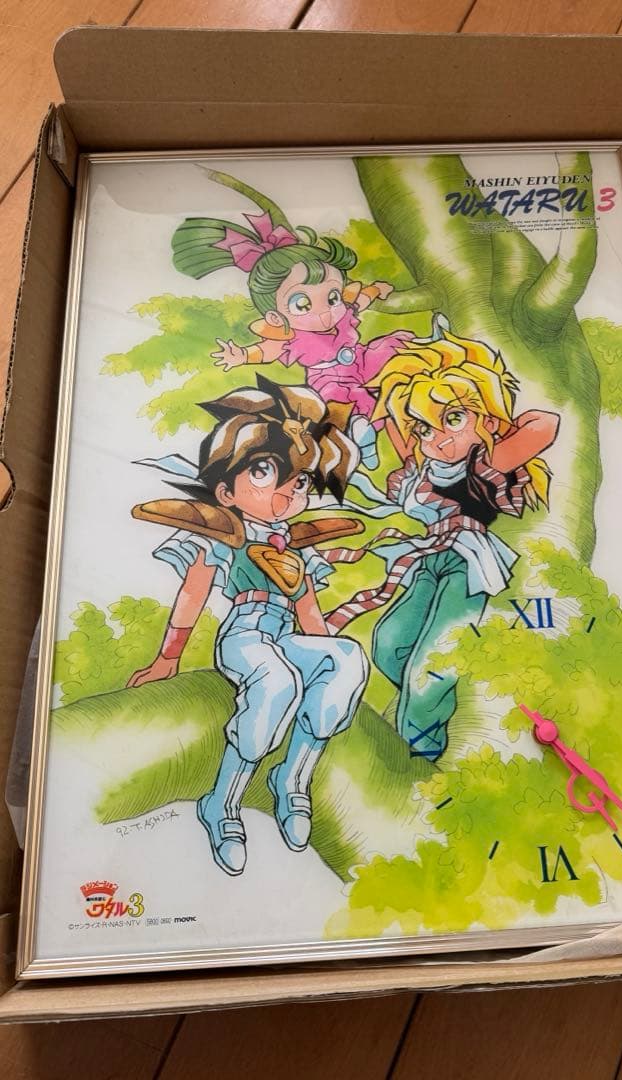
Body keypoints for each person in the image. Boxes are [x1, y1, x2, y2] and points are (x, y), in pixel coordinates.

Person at [128, 377, 368, 874]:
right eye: (264, 472)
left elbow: (308, 610)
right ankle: (221, 802)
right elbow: (194, 591)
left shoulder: (294, 543)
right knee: (277, 682)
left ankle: (291, 780)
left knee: (346, 659)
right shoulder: (228, 533)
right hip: (246, 634)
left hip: (286, 634)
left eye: (300, 481)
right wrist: (168, 658)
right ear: (226, 490)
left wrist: (325, 656)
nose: (287, 491)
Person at [327, 329, 560, 761]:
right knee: (389, 643)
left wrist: (494, 419)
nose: (437, 438)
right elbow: (399, 427)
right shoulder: (423, 465)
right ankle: (428, 705)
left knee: (433, 661)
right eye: (424, 428)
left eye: (452, 419)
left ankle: (421, 751)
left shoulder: (486, 460)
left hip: (467, 564)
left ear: (484, 418)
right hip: (429, 558)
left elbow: (546, 424)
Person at [172, 188, 415, 466]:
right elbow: (267, 351)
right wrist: (243, 355)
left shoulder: (343, 313)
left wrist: (376, 289)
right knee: (345, 407)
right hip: (329, 379)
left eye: (332, 297)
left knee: (393, 350)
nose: (325, 311)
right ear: (276, 317)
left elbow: (358, 300)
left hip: (361, 359)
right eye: (302, 304)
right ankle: (362, 441)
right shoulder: (290, 336)